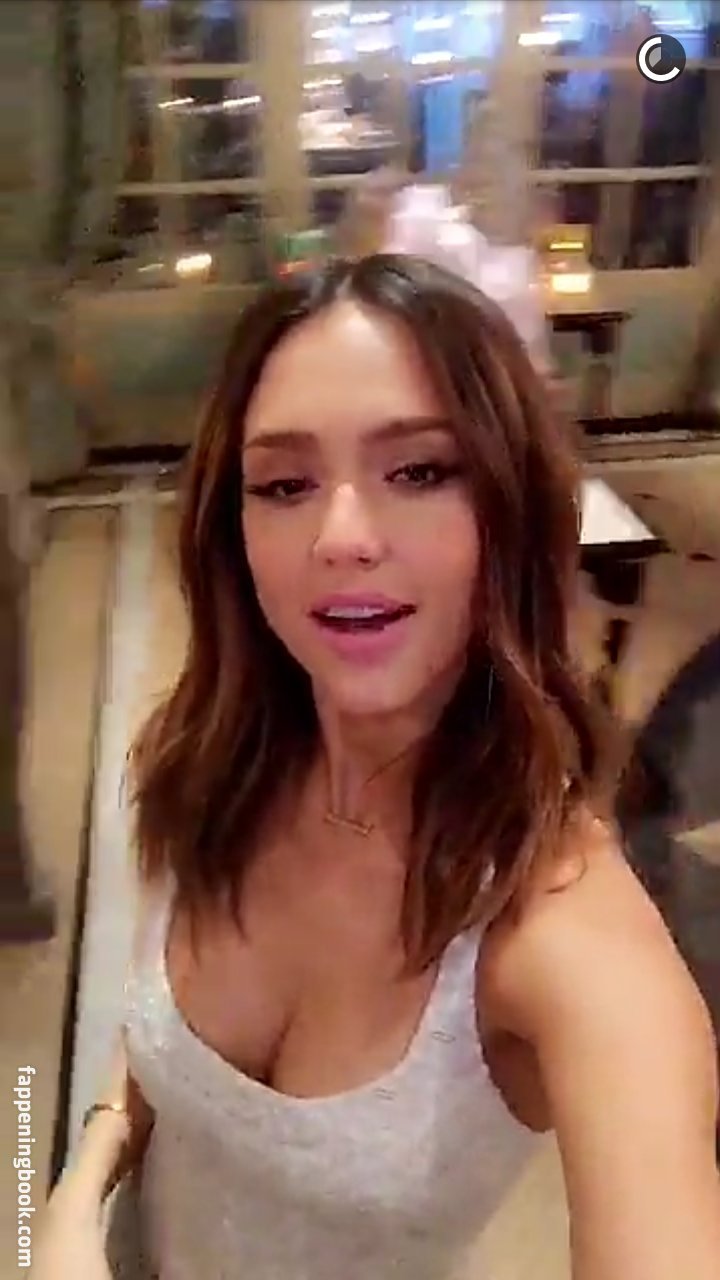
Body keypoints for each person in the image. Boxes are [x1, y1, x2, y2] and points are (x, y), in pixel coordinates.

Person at [34, 254, 720, 1280]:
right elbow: (157, 1035)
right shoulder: (215, 762)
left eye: (420, 472)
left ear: (511, 509)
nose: (342, 536)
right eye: (284, 484)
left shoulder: (571, 943)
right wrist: (68, 1191)